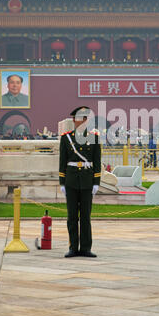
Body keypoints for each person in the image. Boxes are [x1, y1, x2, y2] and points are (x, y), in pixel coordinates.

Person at [59, 106, 101, 258]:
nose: (78, 121)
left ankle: (85, 248)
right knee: (72, 217)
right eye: (76, 119)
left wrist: (96, 182)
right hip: (71, 181)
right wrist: (62, 182)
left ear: (85, 120)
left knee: (85, 216)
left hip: (87, 181)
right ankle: (73, 247)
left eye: (82, 118)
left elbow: (97, 161)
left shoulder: (93, 137)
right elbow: (62, 161)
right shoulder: (66, 138)